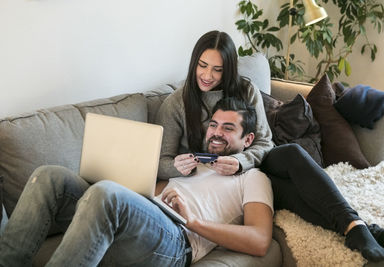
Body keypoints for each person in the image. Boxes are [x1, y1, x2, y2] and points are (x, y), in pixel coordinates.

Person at [155, 30, 384, 262]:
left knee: (292, 153)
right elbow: (159, 164)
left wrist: (239, 161)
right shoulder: (176, 104)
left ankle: (354, 225)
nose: (207, 75)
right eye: (202, 66)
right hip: (222, 182)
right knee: (289, 191)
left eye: (217, 69)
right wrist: (179, 167)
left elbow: (265, 142)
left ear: (229, 69)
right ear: (194, 62)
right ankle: (362, 228)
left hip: (252, 164)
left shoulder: (246, 89)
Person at [0, 98, 274, 266]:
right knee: (49, 176)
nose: (216, 133)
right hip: (145, 216)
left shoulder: (252, 177)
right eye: (213, 125)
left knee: (106, 194)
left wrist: (193, 223)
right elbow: (146, 194)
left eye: (228, 128)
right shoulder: (192, 164)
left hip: (178, 242)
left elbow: (260, 241)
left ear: (247, 139)